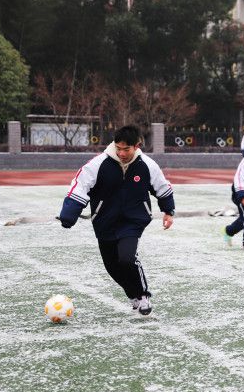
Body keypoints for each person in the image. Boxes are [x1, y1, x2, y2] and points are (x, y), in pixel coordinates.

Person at [59, 125, 175, 315]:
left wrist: (168, 211)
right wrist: (69, 214)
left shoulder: (147, 165)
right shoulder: (98, 164)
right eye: (118, 148)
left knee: (127, 258)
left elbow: (162, 187)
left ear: (136, 146)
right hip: (105, 221)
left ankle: (143, 295)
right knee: (112, 266)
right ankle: (133, 295)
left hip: (133, 220)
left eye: (126, 149)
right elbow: (79, 185)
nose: (121, 153)